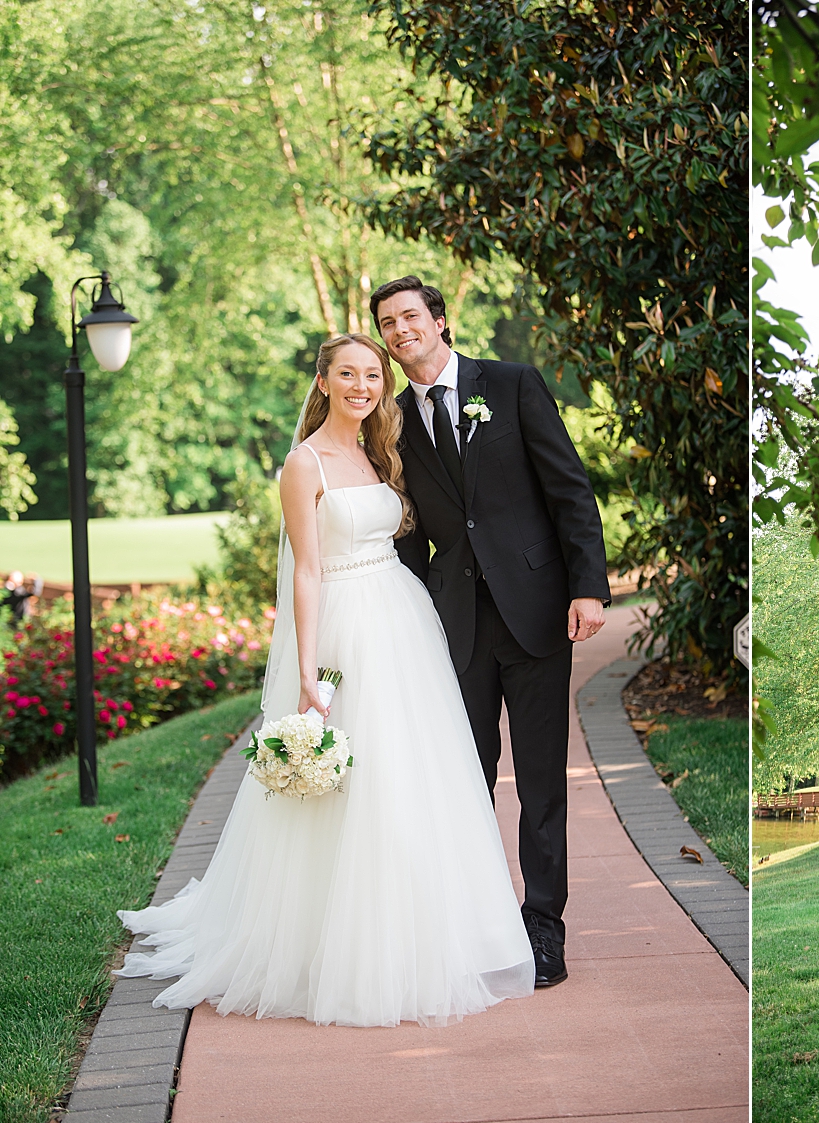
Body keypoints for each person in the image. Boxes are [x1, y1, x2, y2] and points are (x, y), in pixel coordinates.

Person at [117, 333, 534, 1026]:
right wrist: (308, 669)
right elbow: (305, 570)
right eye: (348, 373)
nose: (362, 386)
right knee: (347, 783)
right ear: (323, 381)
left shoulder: (381, 454)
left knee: (409, 778)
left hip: (402, 623)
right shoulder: (302, 464)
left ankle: (421, 932)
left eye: (373, 374)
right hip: (342, 625)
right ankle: (329, 947)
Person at [373, 276, 611, 988]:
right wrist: (400, 618)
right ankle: (477, 919)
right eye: (388, 323)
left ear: (441, 321)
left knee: (540, 781)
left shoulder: (509, 385)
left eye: (411, 316)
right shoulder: (392, 422)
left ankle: (544, 925)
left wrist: (588, 586)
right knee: (465, 780)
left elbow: (569, 488)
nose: (400, 330)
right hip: (455, 627)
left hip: (537, 611)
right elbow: (410, 532)